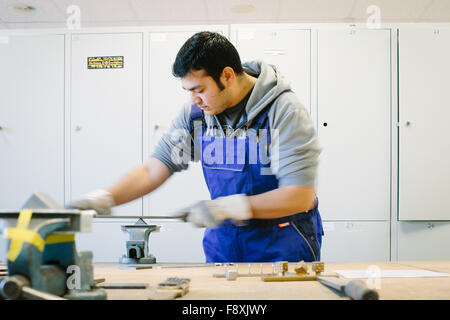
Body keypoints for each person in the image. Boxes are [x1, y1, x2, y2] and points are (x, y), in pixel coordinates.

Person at [71, 31, 323, 263]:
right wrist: (106, 198)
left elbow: (299, 195)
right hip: (225, 244)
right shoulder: (197, 115)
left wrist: (228, 207)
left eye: (199, 89)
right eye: (188, 91)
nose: (194, 100)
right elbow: (154, 169)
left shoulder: (283, 111)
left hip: (284, 245)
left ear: (227, 75)